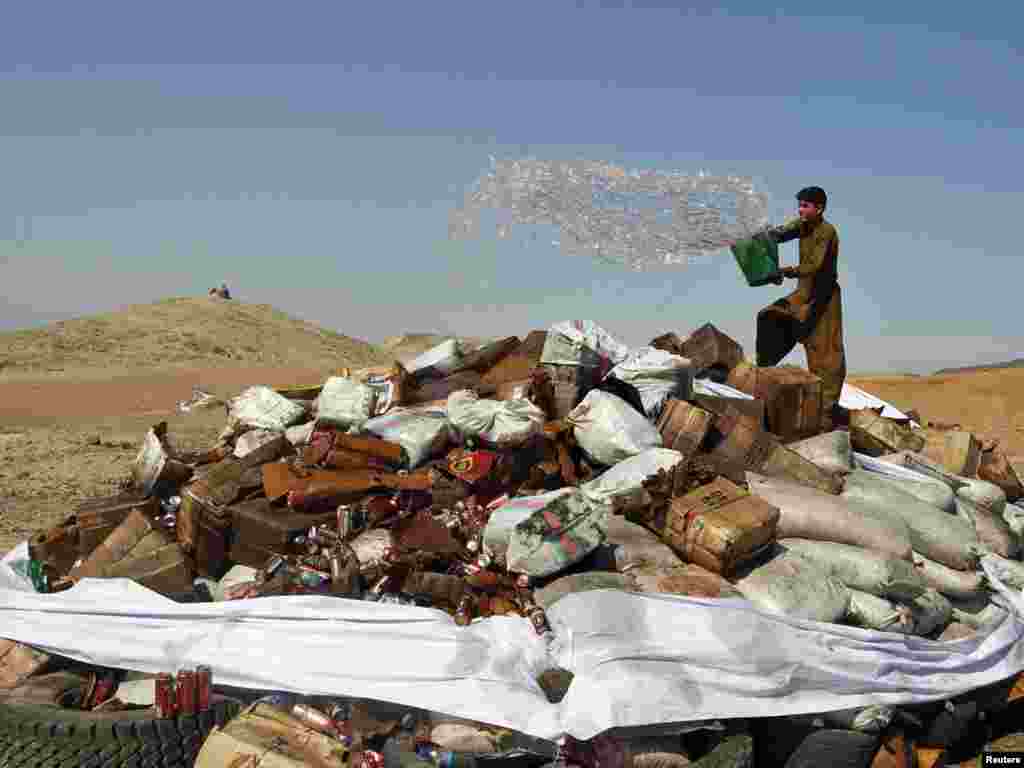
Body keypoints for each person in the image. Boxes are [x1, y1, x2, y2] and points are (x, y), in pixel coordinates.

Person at [754, 186, 847, 429]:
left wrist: (785, 271)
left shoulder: (827, 232)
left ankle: (825, 416)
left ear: (820, 208)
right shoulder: (803, 224)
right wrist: (761, 236)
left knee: (826, 357)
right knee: (770, 317)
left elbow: (815, 266)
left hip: (824, 298)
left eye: (806, 206)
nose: (800, 209)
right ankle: (761, 376)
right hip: (804, 293)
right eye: (800, 205)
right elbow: (780, 233)